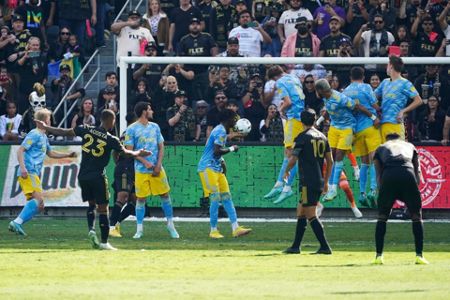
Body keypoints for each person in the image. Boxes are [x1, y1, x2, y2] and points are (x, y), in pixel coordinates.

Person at [35, 109, 151, 250]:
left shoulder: (85, 129)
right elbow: (126, 153)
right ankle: (104, 242)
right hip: (98, 177)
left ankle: (91, 229)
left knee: (91, 205)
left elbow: (64, 132)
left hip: (83, 175)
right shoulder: (111, 139)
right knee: (103, 209)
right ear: (110, 121)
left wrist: (46, 127)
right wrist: (140, 152)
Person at [8, 109, 76, 236]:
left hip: (33, 172)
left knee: (40, 206)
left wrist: (68, 154)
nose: (50, 121)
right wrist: (23, 168)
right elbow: (20, 150)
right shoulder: (34, 134)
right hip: (29, 170)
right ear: (44, 121)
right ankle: (16, 222)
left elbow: (50, 153)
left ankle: (17, 223)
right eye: (49, 119)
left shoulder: (44, 136)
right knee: (38, 201)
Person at [124, 101, 179, 239]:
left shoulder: (155, 127)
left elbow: (161, 146)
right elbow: (129, 151)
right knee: (141, 198)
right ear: (144, 111)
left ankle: (171, 225)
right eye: (149, 109)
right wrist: (145, 162)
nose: (152, 111)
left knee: (165, 195)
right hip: (141, 170)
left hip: (157, 168)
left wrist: (159, 164)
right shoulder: (131, 129)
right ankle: (139, 229)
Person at [315, 78, 376, 201]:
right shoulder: (325, 98)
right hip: (334, 127)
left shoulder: (340, 98)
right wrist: (319, 121)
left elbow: (357, 106)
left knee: (339, 156)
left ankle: (332, 189)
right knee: (330, 157)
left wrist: (373, 117)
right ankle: (332, 188)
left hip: (347, 128)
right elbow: (328, 110)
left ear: (320, 90)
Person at [372, 133, 429, 265]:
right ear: (400, 139)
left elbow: (378, 174)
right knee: (416, 216)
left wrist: (383, 194)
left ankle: (378, 256)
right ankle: (419, 256)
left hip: (389, 176)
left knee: (382, 217)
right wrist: (413, 190)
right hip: (407, 174)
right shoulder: (410, 146)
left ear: (387, 139)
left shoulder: (381, 147)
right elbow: (418, 172)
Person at [283, 109, 333, 255]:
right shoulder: (323, 137)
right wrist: (326, 182)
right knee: (301, 211)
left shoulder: (302, 137)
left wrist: (286, 171)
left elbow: (293, 158)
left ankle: (325, 247)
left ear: (301, 120)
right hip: (318, 180)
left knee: (310, 214)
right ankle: (295, 246)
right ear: (315, 119)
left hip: (308, 181)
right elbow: (330, 161)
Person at [197, 108, 252, 239]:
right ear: (227, 120)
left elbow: (219, 144)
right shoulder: (220, 130)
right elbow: (217, 151)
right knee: (215, 199)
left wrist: (222, 161)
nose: (235, 121)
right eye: (234, 118)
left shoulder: (220, 130)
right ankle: (213, 230)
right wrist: (232, 148)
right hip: (207, 168)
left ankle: (236, 228)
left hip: (215, 168)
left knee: (227, 197)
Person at [264, 65, 304, 204]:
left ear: (274, 77)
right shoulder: (294, 77)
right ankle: (281, 184)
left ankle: (285, 186)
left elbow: (288, 101)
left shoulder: (280, 82)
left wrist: (280, 110)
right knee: (289, 153)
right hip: (300, 117)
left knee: (291, 153)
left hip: (294, 119)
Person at [343, 67, 380, 207]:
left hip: (356, 130)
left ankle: (362, 194)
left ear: (350, 76)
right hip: (370, 127)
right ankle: (372, 190)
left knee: (364, 163)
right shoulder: (366, 87)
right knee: (374, 160)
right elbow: (375, 105)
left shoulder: (346, 91)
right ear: (363, 76)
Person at [375, 56, 423, 143]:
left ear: (391, 66)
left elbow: (418, 100)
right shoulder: (385, 82)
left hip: (395, 123)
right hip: (382, 123)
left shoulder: (405, 83)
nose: (386, 67)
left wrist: (403, 111)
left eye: (387, 65)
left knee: (396, 153)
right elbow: (373, 97)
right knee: (383, 153)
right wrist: (377, 109)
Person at [109, 113, 138, 238]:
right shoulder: (131, 133)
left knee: (137, 201)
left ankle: (117, 223)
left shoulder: (129, 132)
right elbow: (115, 152)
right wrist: (122, 164)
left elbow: (115, 153)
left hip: (132, 169)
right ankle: (111, 227)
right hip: (125, 168)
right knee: (122, 196)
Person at [177, 17, 218, 101]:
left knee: (207, 95)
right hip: (191, 72)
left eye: (197, 24)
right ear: (189, 26)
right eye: (193, 24)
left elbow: (214, 49)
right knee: (192, 96)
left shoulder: (207, 36)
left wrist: (214, 64)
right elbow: (180, 56)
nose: (195, 26)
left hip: (205, 71)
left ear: (200, 26)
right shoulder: (184, 39)